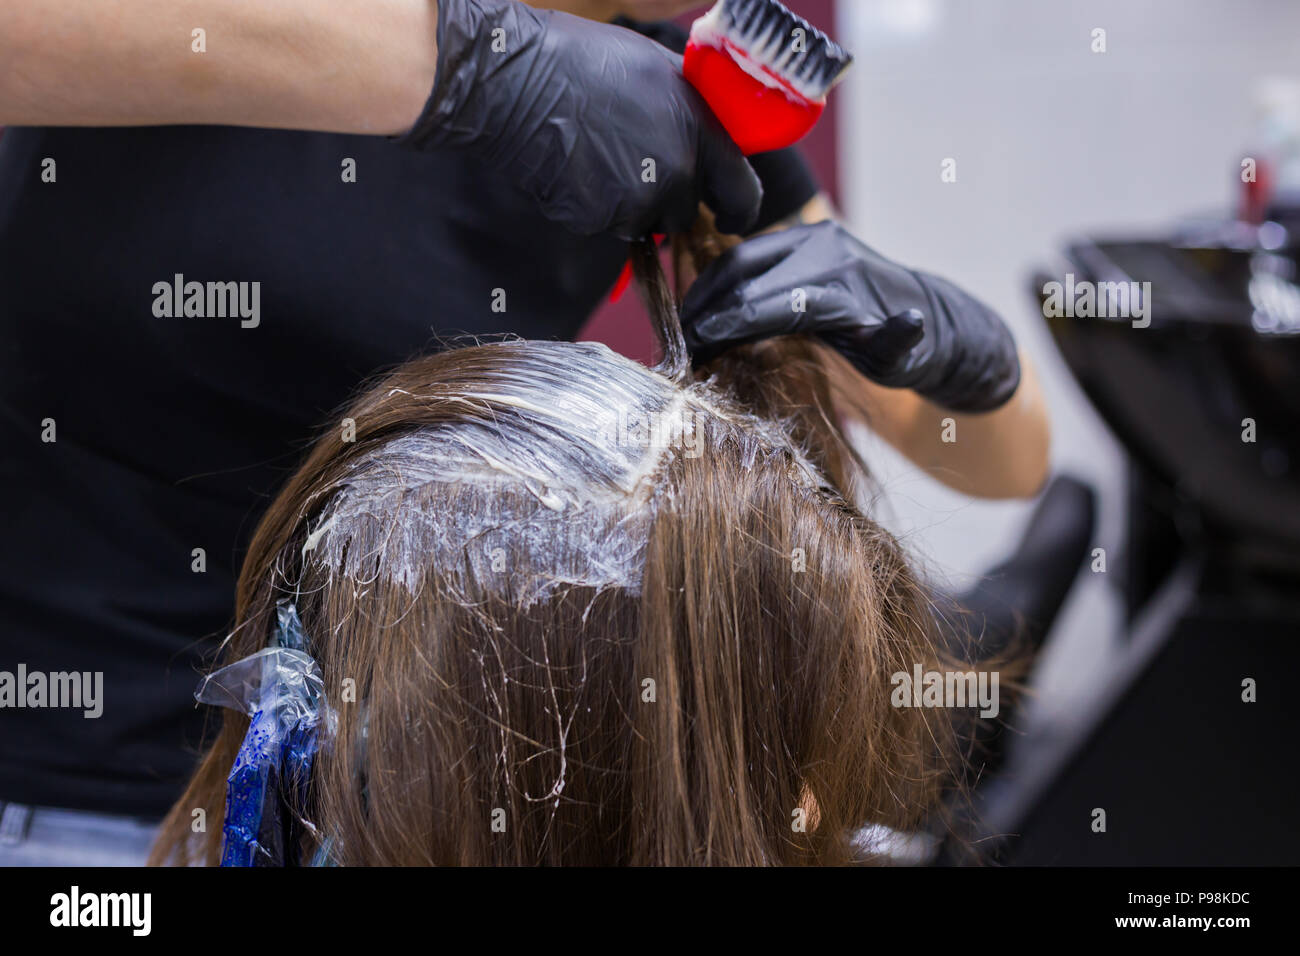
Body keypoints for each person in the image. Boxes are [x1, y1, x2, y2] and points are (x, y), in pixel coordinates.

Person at [0, 0, 1047, 865]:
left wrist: (956, 349)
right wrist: (476, 68)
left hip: (390, 812)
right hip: (51, 782)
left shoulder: (660, 79)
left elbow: (1008, 457)